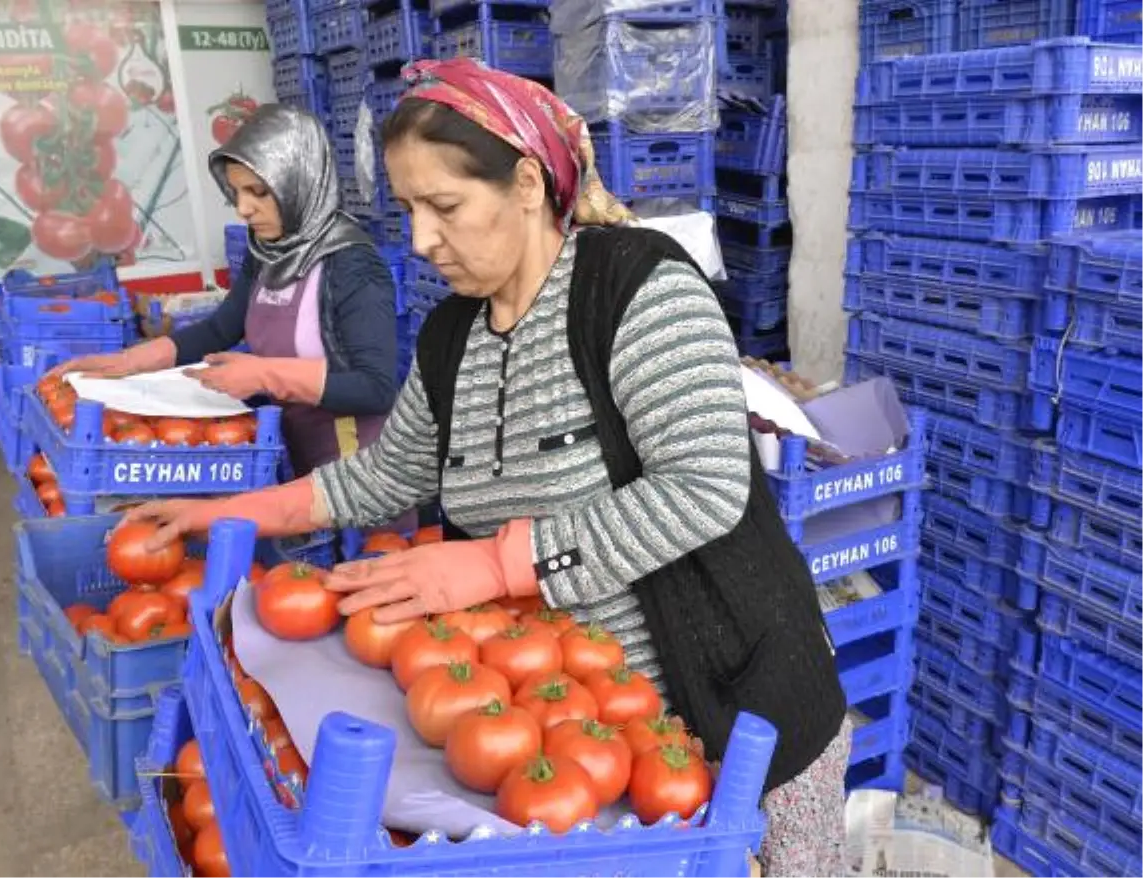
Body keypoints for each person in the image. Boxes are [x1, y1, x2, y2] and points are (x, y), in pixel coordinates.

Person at [126, 60, 848, 876]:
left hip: (730, 712)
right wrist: (229, 515)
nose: (424, 239)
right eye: (407, 210)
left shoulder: (634, 286)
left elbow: (707, 484)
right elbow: (380, 478)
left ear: (529, 184)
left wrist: (498, 561)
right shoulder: (450, 339)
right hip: (570, 745)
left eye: (445, 206)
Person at [54, 104, 399, 477]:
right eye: (236, 192)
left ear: (300, 181)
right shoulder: (269, 251)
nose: (244, 210)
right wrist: (129, 362)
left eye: (258, 192)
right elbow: (221, 329)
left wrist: (266, 375)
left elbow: (376, 386)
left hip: (355, 460)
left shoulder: (351, 264)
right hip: (292, 447)